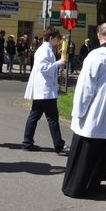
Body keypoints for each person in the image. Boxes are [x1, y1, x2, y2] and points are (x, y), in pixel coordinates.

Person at [62, 23, 106, 198]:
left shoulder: (96, 55)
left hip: (97, 113)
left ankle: (80, 186)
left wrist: (79, 111)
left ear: (98, 35)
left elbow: (85, 87)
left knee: (89, 149)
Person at [22, 26, 70, 155]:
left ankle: (27, 142)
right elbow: (44, 68)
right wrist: (59, 63)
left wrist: (57, 76)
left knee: (34, 115)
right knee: (52, 118)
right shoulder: (44, 50)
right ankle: (59, 146)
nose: (58, 41)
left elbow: (46, 69)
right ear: (51, 38)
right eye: (57, 38)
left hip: (43, 90)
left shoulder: (47, 49)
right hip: (45, 91)